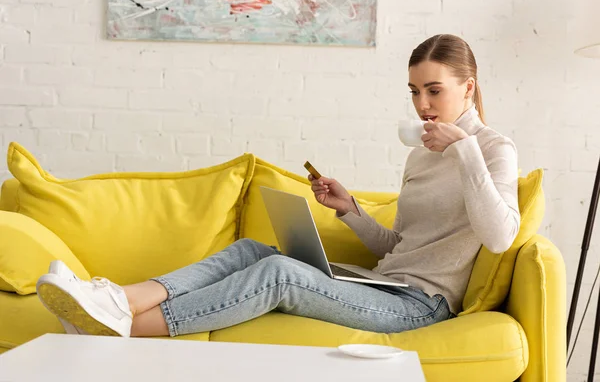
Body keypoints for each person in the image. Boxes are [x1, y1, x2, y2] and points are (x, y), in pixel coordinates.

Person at [36, 34, 520, 338]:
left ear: (469, 87)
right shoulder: (421, 153)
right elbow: (402, 247)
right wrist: (350, 208)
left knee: (281, 275)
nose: (422, 105)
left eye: (434, 90)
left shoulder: (493, 149)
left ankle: (113, 329)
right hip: (385, 283)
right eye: (415, 92)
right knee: (251, 250)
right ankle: (119, 300)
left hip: (421, 306)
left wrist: (465, 150)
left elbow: (499, 235)